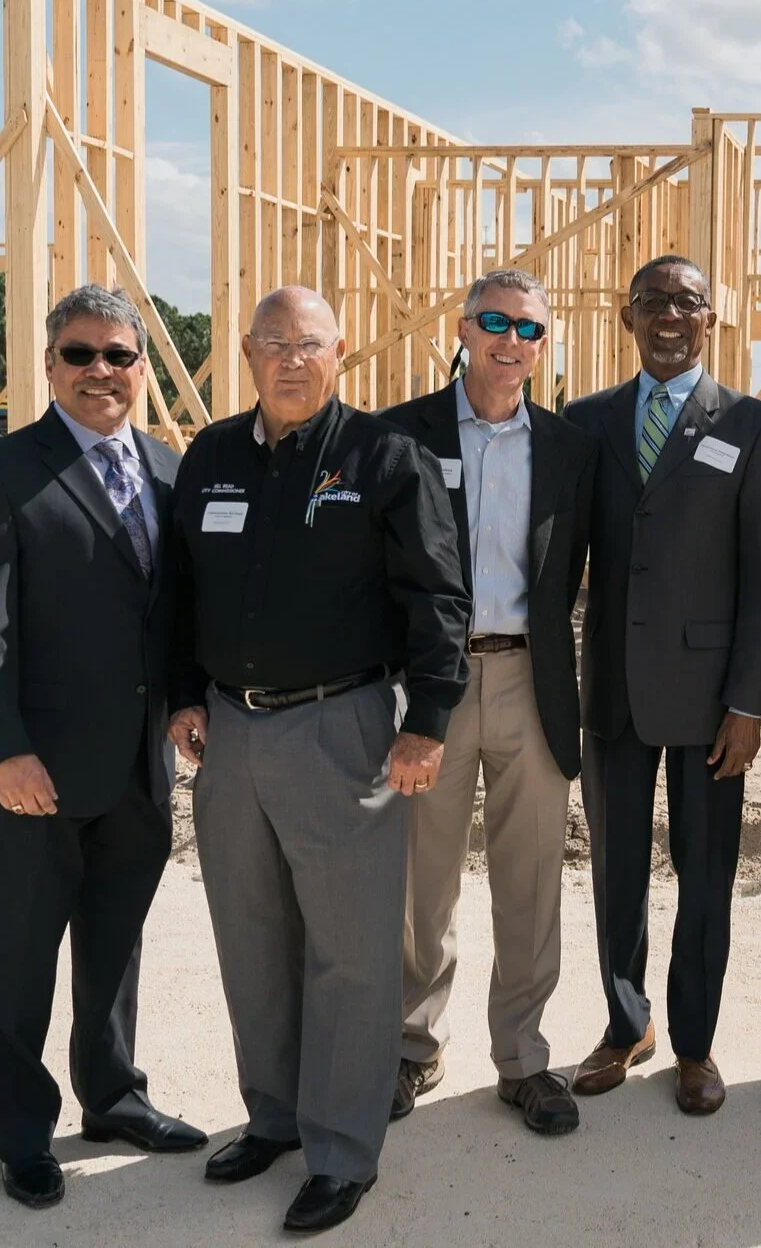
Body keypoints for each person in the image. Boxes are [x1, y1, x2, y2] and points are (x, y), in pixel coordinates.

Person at [166, 285, 470, 1234]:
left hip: (344, 728)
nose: (291, 359)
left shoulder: (385, 458)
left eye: (309, 344)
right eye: (274, 343)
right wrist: (182, 694)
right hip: (230, 731)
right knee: (251, 937)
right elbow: (176, 591)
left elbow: (437, 599)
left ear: (340, 353)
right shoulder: (212, 457)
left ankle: (341, 1151)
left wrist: (427, 722)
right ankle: (274, 1117)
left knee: (351, 950)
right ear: (247, 353)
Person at [0, 285, 207, 1210]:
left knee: (115, 949)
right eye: (80, 354)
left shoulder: (168, 470)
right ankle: (20, 1132)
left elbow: (173, 613)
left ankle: (113, 1097)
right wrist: (2, 751)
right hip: (33, 773)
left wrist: (185, 700)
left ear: (140, 367)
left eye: (118, 355)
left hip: (137, 768)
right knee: (15, 961)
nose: (101, 370)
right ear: (49, 365)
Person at [562, 254, 761, 1116]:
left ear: (709, 320)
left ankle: (694, 1043)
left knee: (705, 877)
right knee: (615, 872)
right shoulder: (586, 422)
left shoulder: (754, 427)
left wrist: (748, 702)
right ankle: (627, 1024)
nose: (668, 314)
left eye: (686, 301)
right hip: (613, 692)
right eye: (651, 300)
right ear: (627, 317)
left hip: (711, 701)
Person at [380, 270, 595, 1135]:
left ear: (543, 346)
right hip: (430, 686)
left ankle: (524, 1059)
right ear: (464, 331)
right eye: (496, 323)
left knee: (531, 878)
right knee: (420, 881)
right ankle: (412, 1046)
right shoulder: (400, 434)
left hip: (531, 681)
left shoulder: (569, 448)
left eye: (530, 329)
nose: (513, 341)